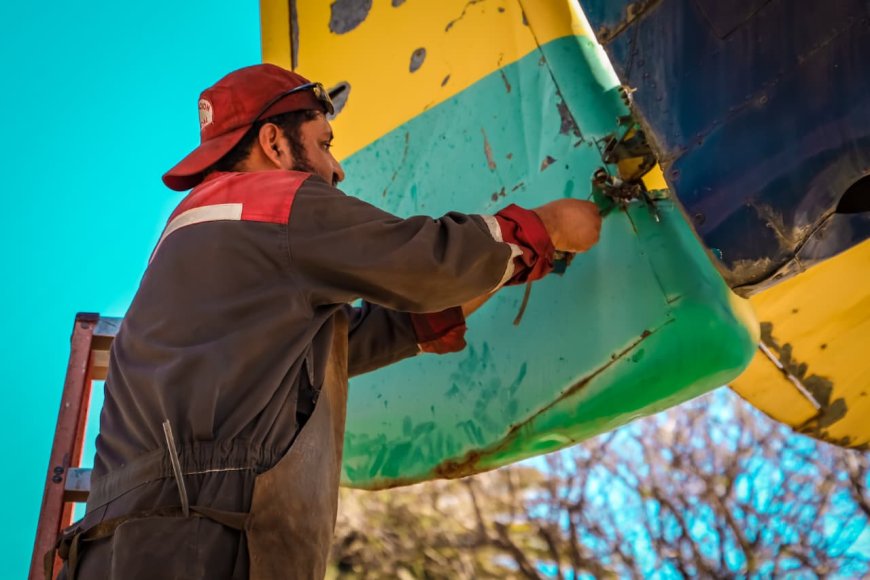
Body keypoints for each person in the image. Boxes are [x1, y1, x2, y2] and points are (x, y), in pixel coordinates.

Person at [55, 64, 601, 579]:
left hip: (121, 547)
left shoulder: (199, 241)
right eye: (324, 144)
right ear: (273, 143)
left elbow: (354, 342)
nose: (336, 169)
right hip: (198, 545)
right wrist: (543, 228)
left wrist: (508, 268)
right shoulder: (272, 202)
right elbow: (427, 263)